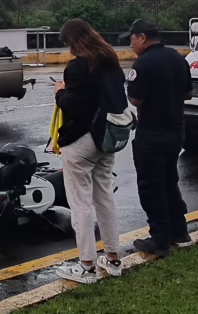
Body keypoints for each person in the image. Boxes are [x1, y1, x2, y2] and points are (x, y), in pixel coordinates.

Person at [52, 18, 124, 284]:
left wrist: (60, 92)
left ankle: (86, 265)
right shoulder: (111, 60)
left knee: (80, 203)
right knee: (104, 198)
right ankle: (113, 258)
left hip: (82, 141)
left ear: (75, 41)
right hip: (108, 137)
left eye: (68, 43)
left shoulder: (79, 67)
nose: (68, 49)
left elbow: (74, 105)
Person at [121, 18, 193, 257]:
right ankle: (179, 232)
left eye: (131, 39)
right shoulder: (178, 58)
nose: (130, 45)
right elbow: (188, 94)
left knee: (151, 186)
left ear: (141, 38)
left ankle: (159, 239)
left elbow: (135, 100)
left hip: (151, 133)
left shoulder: (142, 64)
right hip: (175, 131)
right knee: (169, 181)